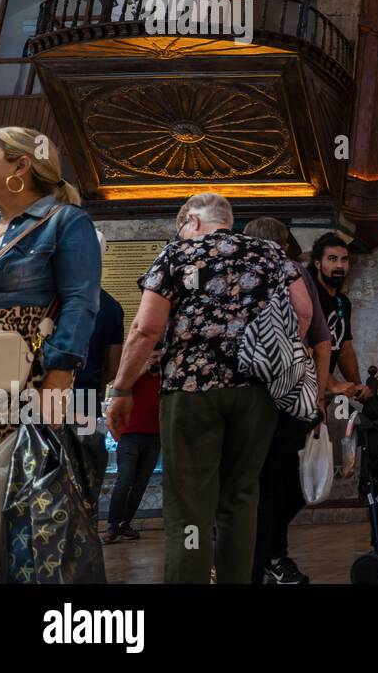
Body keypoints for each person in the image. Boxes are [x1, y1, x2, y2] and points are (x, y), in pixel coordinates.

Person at [106, 193, 310, 584]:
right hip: (256, 392)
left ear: (193, 220)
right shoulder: (271, 255)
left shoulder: (178, 254)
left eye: (181, 227)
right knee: (240, 497)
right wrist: (278, 359)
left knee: (189, 504)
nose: (181, 233)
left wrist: (122, 388)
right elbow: (303, 312)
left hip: (191, 388)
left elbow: (146, 328)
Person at [0, 127, 101, 451]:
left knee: (8, 479)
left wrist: (59, 376)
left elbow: (80, 301)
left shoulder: (65, 220)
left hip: (20, 370)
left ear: (20, 166)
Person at [244, 217, 331, 585]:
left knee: (258, 482)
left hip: (245, 394)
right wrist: (318, 395)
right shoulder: (292, 270)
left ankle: (256, 559)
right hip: (290, 393)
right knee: (280, 481)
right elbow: (317, 331)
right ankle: (270, 557)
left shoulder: (237, 269)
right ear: (285, 244)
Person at [76, 230, 124, 498]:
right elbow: (113, 368)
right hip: (86, 397)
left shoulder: (51, 297)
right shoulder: (111, 306)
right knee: (85, 473)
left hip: (44, 397)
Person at [104, 347, 161, 544]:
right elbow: (117, 389)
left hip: (154, 437)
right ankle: (112, 524)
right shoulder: (134, 377)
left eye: (158, 357)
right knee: (125, 479)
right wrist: (142, 368)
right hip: (130, 436)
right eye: (152, 355)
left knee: (141, 482)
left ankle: (124, 523)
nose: (156, 360)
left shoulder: (163, 380)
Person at [309, 232, 370, 401]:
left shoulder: (343, 302)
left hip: (322, 394)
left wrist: (357, 386)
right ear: (318, 263)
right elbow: (302, 351)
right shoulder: (308, 296)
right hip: (301, 390)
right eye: (332, 259)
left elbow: (344, 349)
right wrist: (333, 383)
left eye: (344, 260)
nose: (339, 266)